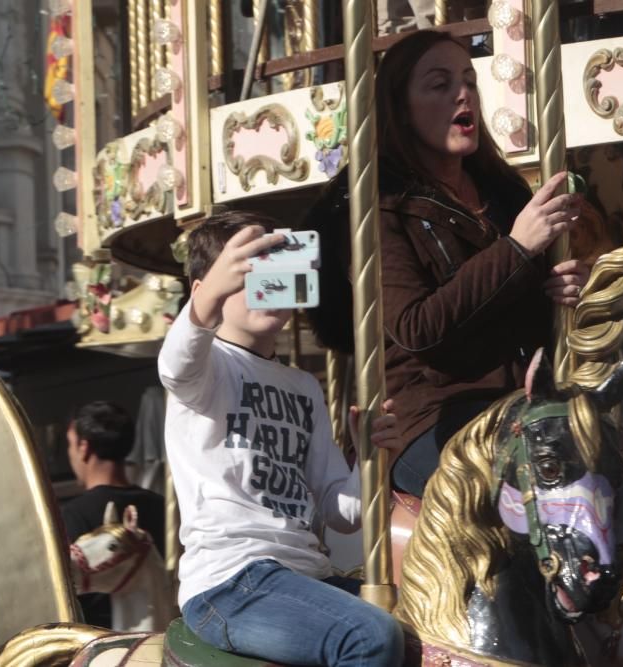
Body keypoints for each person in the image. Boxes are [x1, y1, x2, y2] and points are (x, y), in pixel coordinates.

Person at [309, 30, 590, 498]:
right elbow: (418, 329)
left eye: (469, 81)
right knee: (544, 480)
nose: (463, 95)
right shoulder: (381, 209)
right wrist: (516, 250)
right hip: (430, 416)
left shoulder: (502, 198)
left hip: (519, 402)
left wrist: (557, 292)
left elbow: (516, 318)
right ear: (400, 109)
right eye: (439, 85)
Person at [158, 210, 405, 667]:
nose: (265, 286)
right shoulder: (207, 368)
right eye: (249, 272)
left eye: (277, 271)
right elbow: (175, 362)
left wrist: (369, 459)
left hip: (305, 573)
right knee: (370, 637)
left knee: (422, 627)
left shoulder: (304, 386)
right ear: (205, 289)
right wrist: (212, 289)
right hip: (231, 580)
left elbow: (342, 512)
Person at [61, 400, 166, 628]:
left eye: (70, 444)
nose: (70, 453)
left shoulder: (70, 515)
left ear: (83, 448)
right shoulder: (162, 507)